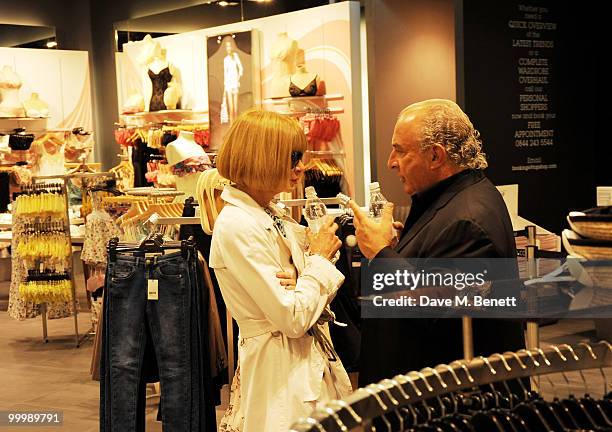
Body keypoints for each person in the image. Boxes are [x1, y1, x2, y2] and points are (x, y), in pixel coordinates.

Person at [348, 99, 524, 386]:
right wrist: (393, 248)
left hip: (447, 404)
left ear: (435, 156)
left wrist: (381, 253)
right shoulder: (453, 198)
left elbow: (434, 307)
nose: (391, 162)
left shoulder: (468, 220)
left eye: (400, 150)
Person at [209, 110, 352, 432]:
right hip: (279, 369)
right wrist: (317, 259)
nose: (301, 167)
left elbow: (300, 301)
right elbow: (292, 317)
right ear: (263, 158)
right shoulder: (238, 225)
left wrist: (303, 277)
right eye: (292, 157)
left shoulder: (267, 213)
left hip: (296, 363)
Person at [222, 35, 243, 123]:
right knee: (231, 108)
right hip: (228, 85)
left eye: (230, 46)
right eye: (227, 46)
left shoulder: (235, 56)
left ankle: (236, 126)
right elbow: (225, 74)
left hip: (235, 84)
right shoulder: (225, 59)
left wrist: (238, 79)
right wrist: (225, 87)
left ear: (232, 47)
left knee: (236, 108)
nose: (228, 48)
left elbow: (241, 68)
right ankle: (231, 126)